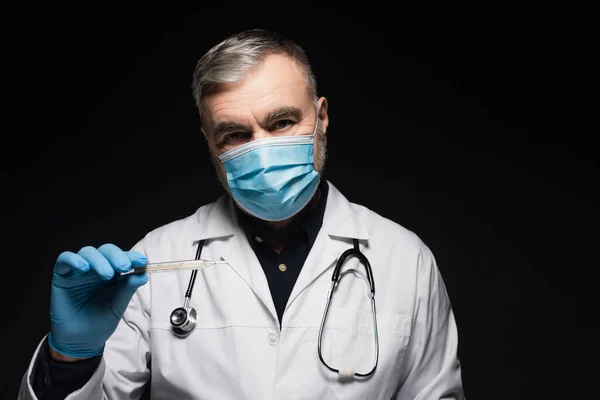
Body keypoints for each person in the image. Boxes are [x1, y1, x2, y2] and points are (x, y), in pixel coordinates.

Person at [18, 29, 465, 399]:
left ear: (322, 117)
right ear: (210, 142)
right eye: (234, 134)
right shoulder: (154, 259)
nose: (262, 150)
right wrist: (70, 359)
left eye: (282, 123)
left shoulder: (405, 260)